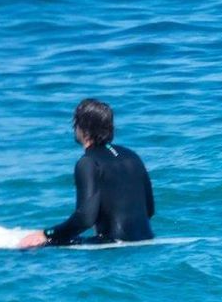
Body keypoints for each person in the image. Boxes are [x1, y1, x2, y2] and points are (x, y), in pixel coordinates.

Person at [17, 98, 155, 248]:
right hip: (146, 240)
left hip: (113, 248)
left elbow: (85, 218)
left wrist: (47, 234)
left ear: (83, 128)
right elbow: (149, 210)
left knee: (30, 250)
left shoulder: (88, 162)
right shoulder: (132, 156)